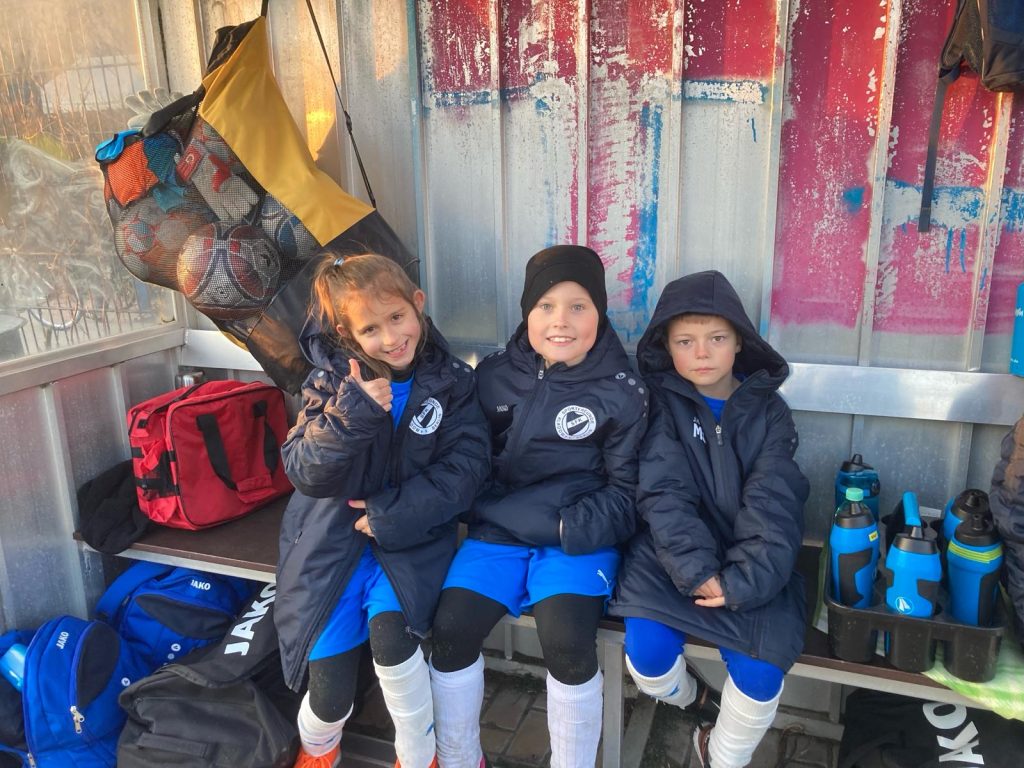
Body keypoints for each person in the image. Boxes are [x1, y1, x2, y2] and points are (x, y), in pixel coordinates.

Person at [428, 245, 648, 768]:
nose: (560, 321)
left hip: (576, 537)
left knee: (566, 640)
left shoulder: (624, 391)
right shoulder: (493, 376)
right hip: (497, 533)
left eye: (578, 306)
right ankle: (459, 758)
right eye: (545, 306)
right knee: (451, 629)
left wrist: (570, 526)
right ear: (527, 311)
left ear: (600, 313)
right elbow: (467, 463)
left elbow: (628, 495)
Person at [275, 253, 491, 768]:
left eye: (397, 317)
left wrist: (392, 514)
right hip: (329, 547)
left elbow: (466, 471)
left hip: (410, 540)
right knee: (330, 697)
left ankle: (419, 758)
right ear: (347, 335)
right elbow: (303, 470)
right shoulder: (330, 383)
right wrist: (354, 411)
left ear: (417, 305)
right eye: (371, 328)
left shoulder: (452, 382)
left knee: (394, 646)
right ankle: (317, 749)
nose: (391, 338)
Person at [610, 270, 810, 768]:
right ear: (666, 346)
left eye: (716, 338)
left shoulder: (770, 413)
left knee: (761, 676)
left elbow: (774, 502)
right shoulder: (658, 405)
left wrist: (744, 581)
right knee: (647, 658)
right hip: (670, 554)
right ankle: (694, 701)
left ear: (739, 341)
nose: (702, 353)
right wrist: (696, 569)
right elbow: (663, 492)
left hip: (755, 560)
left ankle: (718, 754)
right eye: (685, 341)